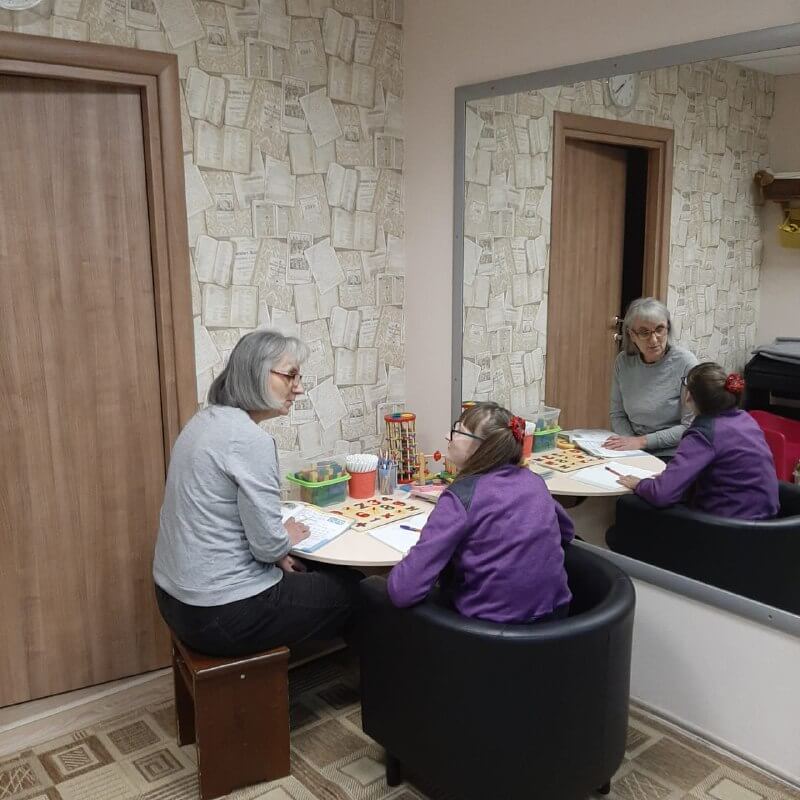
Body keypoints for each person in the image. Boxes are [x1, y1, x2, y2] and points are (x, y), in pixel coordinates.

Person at [153, 330, 360, 657]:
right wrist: (284, 538)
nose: (299, 388)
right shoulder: (249, 440)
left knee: (318, 578)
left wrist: (277, 548)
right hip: (221, 612)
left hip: (174, 600)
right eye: (290, 375)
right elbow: (267, 547)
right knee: (358, 590)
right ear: (256, 374)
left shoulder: (202, 422)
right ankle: (360, 677)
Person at [387, 402, 574, 623]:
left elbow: (403, 591)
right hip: (557, 620)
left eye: (457, 431)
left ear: (482, 447)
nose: (447, 436)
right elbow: (567, 532)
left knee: (379, 590)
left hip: (489, 630)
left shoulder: (461, 497)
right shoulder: (534, 481)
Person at [617, 363, 779, 520]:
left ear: (688, 396)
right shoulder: (746, 420)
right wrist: (672, 479)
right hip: (769, 523)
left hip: (728, 526)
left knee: (628, 505)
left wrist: (640, 484)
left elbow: (662, 495)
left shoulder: (703, 434)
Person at [605, 297, 698, 458]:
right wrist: (630, 443)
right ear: (631, 335)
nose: (654, 340)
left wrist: (642, 442)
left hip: (673, 453)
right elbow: (617, 414)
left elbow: (689, 426)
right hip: (633, 449)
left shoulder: (686, 363)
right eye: (644, 332)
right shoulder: (623, 361)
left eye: (659, 329)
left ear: (668, 328)